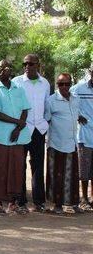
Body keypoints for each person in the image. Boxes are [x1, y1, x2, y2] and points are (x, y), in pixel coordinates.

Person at [0, 60, 31, 214]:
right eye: (0, 67)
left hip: (18, 136)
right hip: (1, 135)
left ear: (11, 70)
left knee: (16, 168)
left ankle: (13, 203)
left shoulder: (19, 88)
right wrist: (17, 123)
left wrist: (18, 128)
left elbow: (25, 109)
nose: (4, 70)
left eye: (7, 67)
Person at [12, 54, 50, 212]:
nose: (27, 66)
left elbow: (47, 104)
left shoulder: (45, 83)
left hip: (38, 130)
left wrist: (45, 123)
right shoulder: (17, 82)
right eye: (25, 64)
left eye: (31, 64)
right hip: (22, 129)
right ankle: (21, 201)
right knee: (20, 165)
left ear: (38, 65)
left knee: (38, 166)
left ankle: (39, 201)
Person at [45, 73, 81, 214]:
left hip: (72, 142)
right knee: (56, 175)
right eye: (61, 84)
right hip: (56, 143)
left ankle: (72, 203)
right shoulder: (51, 100)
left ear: (70, 84)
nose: (64, 87)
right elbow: (46, 119)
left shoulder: (75, 99)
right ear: (57, 85)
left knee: (72, 175)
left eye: (67, 84)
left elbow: (75, 114)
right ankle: (57, 205)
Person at [72, 63, 93, 210]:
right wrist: (77, 114)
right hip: (85, 136)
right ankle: (84, 198)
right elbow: (67, 98)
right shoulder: (79, 88)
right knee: (84, 170)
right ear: (90, 72)